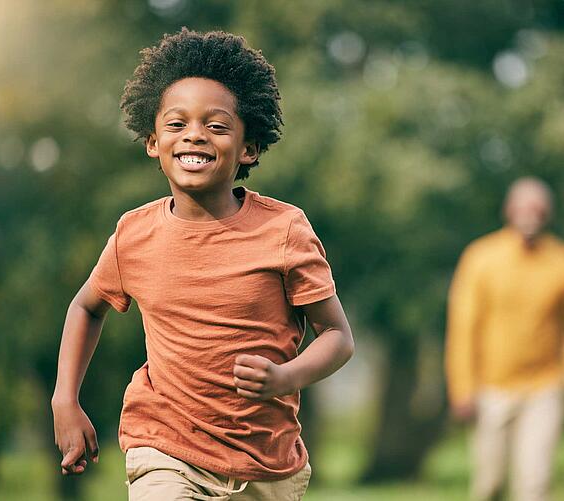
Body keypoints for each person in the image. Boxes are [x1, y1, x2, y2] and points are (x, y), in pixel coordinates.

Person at [51, 29, 354, 501]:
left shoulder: (284, 231)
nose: (194, 133)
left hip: (265, 463)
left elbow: (337, 336)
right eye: (177, 124)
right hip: (165, 446)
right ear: (153, 142)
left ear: (248, 148)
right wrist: (64, 400)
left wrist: (284, 378)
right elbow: (87, 307)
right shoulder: (134, 234)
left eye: (216, 125)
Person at [444, 177, 564, 501]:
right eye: (523, 206)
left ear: (548, 212)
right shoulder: (480, 257)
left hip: (544, 389)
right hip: (490, 389)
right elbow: (463, 327)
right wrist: (462, 388)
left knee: (535, 484)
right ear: (508, 210)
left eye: (538, 207)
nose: (530, 214)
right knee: (489, 485)